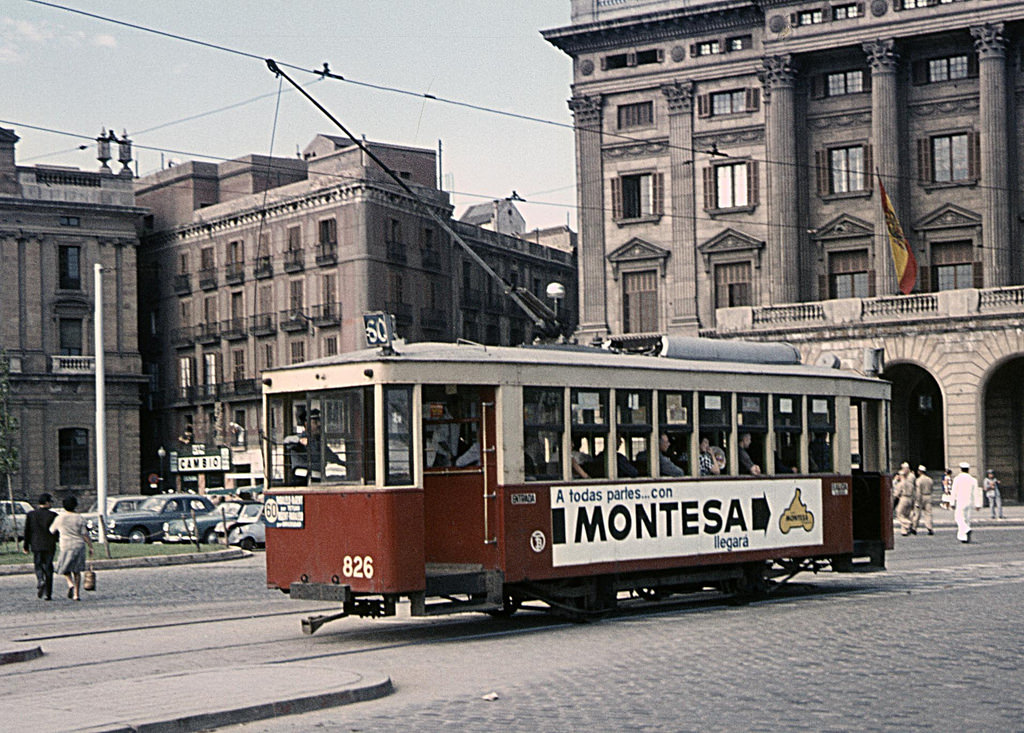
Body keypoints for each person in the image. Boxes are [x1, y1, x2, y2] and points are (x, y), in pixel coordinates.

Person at [50, 495, 94, 600]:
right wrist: (90, 546)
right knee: (77, 570)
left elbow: (52, 530)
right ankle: (76, 594)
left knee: (64, 568)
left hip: (66, 545)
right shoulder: (79, 518)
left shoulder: (60, 518)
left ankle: (70, 584)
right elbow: (84, 534)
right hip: (79, 545)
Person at [22, 492, 58, 600]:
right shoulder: (53, 515)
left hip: (36, 544)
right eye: (50, 502)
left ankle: (40, 579)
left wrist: (26, 546)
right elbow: (56, 532)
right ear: (46, 503)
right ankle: (48, 593)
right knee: (48, 566)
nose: (51, 504)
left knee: (38, 564)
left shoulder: (31, 514)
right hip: (49, 544)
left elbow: (27, 531)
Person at [950, 461, 977, 543]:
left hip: (960, 500)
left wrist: (952, 502)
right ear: (968, 470)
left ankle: (966, 529)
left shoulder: (957, 479)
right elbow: (975, 492)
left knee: (958, 518)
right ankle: (964, 537)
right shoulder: (973, 479)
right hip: (969, 501)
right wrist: (977, 504)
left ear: (961, 469)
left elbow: (953, 491)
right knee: (967, 519)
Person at [893, 462, 916, 536]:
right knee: (906, 514)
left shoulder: (901, 483)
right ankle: (904, 531)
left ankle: (907, 524)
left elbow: (896, 493)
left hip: (903, 498)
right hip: (910, 498)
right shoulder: (910, 482)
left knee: (899, 513)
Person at [913, 465, 934, 536]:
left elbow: (918, 491)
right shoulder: (930, 479)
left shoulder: (918, 480)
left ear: (919, 471)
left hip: (921, 496)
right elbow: (931, 489)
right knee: (928, 513)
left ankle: (914, 528)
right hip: (928, 496)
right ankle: (929, 527)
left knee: (917, 513)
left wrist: (917, 501)